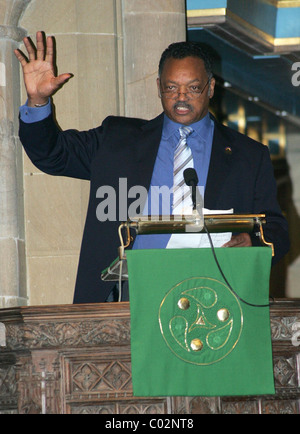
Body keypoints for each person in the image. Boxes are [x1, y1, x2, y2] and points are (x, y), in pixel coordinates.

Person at [14, 32, 289, 303]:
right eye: (171, 87)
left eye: (193, 88)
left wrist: (253, 242)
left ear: (211, 87)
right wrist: (38, 101)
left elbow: (276, 230)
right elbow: (52, 154)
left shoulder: (248, 156)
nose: (181, 97)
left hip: (214, 299)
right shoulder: (117, 140)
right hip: (127, 300)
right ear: (159, 87)